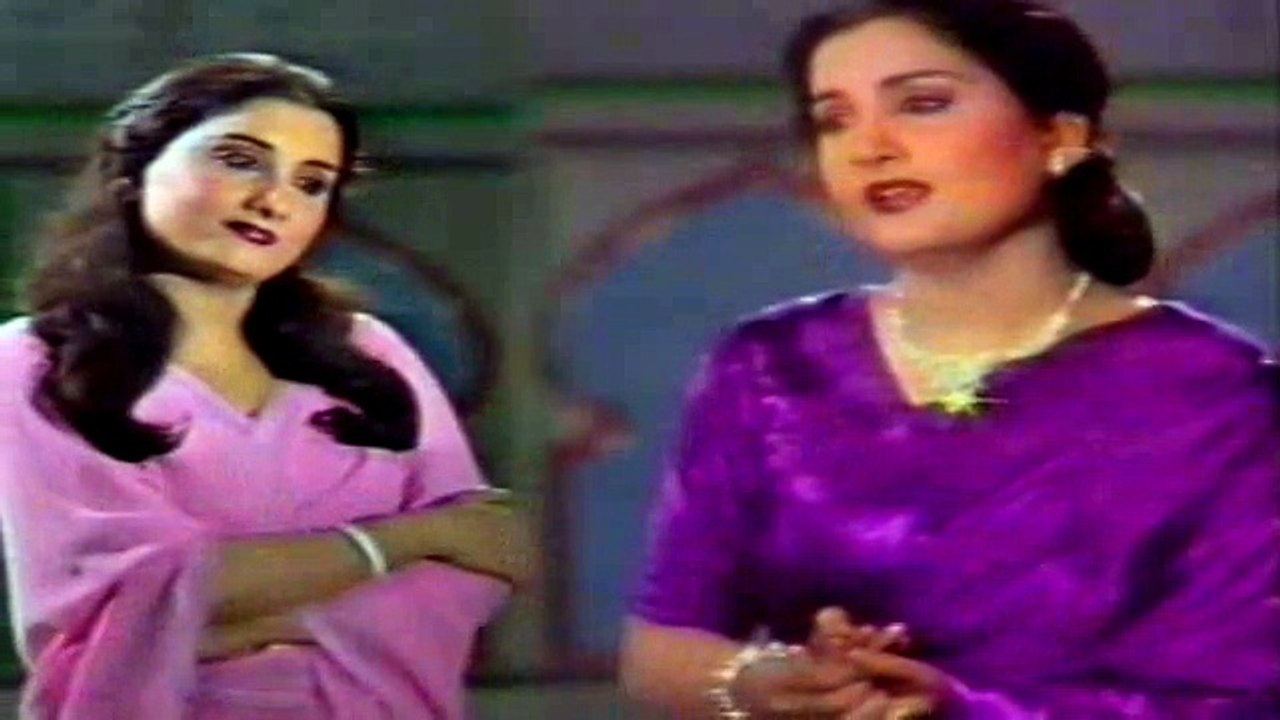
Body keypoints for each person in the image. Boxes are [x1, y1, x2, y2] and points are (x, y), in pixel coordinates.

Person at [619, 1, 1280, 717]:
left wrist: (960, 707)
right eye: (834, 119)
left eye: (923, 104)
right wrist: (764, 681)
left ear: (1060, 136)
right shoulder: (770, 367)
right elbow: (660, 650)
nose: (869, 147)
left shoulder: (1214, 393)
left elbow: (1241, 697)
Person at [0, 53, 531, 719]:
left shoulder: (367, 351)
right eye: (240, 160)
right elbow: (128, 590)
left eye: (312, 183)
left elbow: (488, 551)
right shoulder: (40, 360)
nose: (274, 199)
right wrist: (405, 541)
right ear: (133, 168)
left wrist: (219, 625)